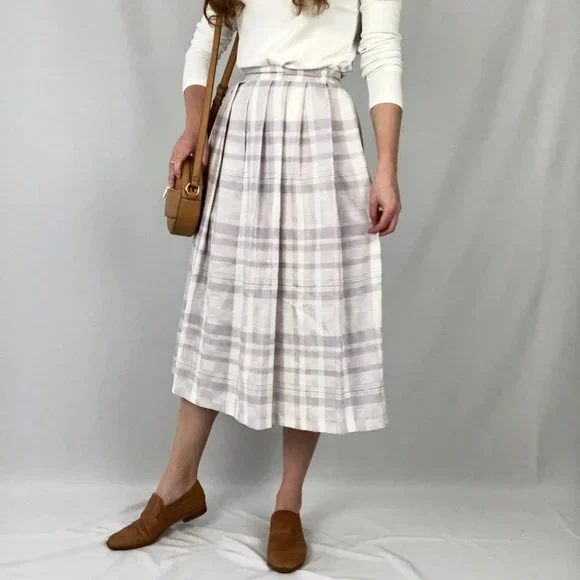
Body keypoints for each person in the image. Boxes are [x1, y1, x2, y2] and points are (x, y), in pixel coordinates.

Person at [106, 0, 403, 573]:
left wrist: (386, 167)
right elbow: (206, 41)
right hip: (243, 131)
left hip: (322, 129)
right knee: (220, 307)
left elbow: (382, 52)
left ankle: (288, 504)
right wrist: (193, 131)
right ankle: (177, 486)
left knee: (312, 315)